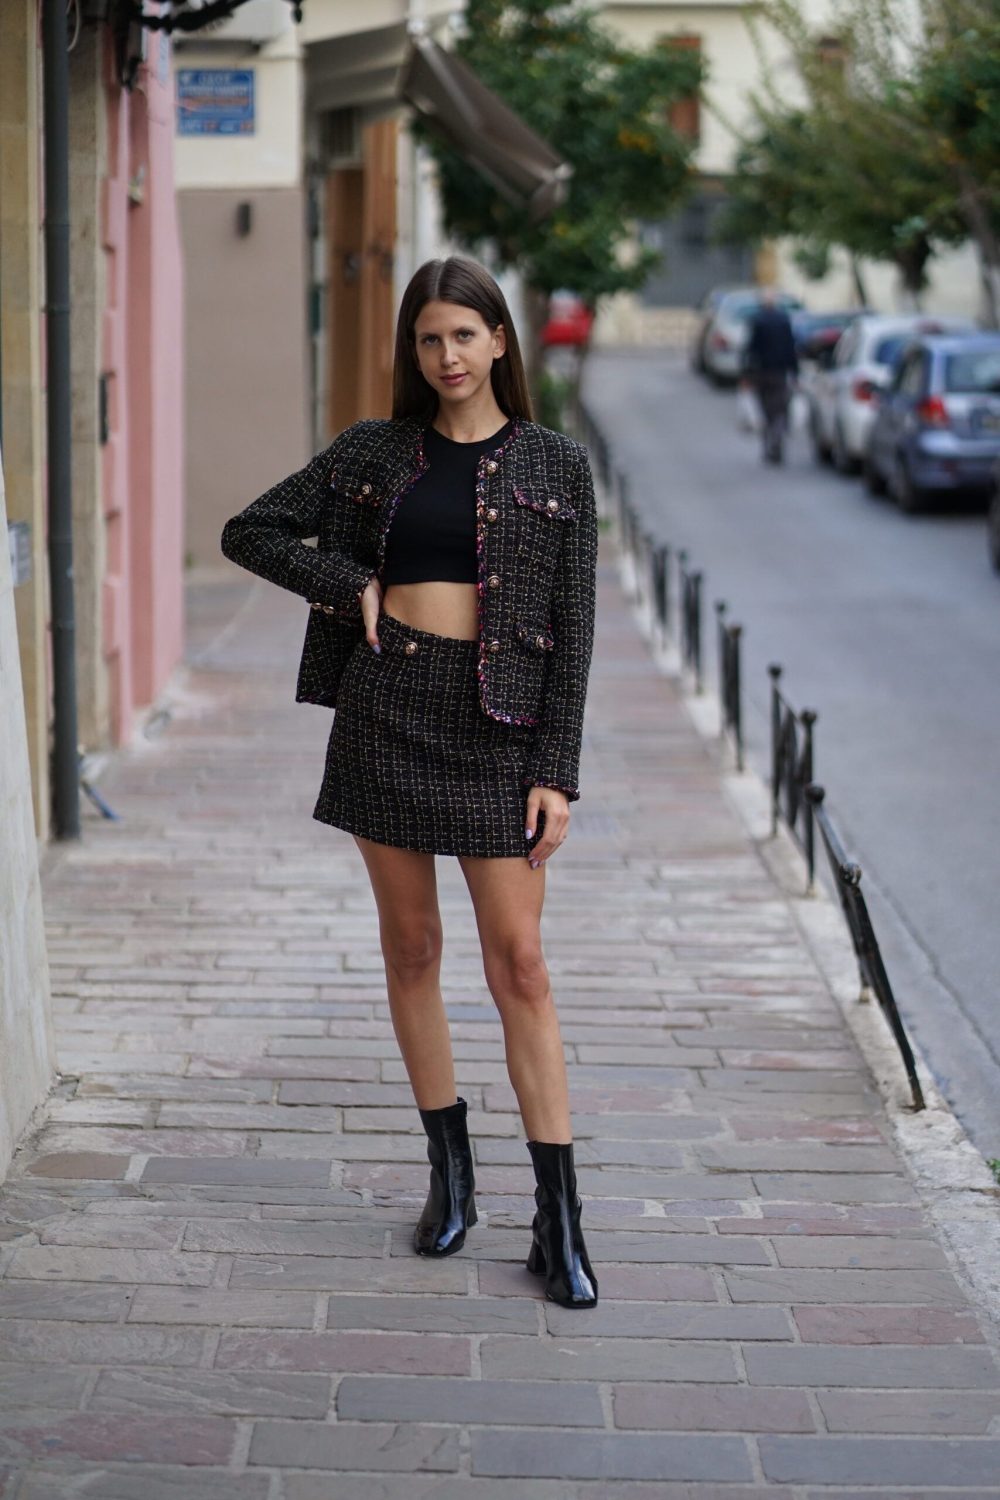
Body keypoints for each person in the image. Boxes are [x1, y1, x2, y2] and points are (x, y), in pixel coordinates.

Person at [220, 256, 599, 1309]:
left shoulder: (557, 465)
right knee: (413, 947)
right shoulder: (371, 454)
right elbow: (248, 530)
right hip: (389, 712)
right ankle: (449, 1177)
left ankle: (557, 1218)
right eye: (429, 339)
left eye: (465, 337)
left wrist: (556, 773)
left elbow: (573, 637)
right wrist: (351, 588)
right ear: (413, 349)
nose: (448, 357)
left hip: (503, 729)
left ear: (500, 342)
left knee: (520, 962)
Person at [741, 286, 799, 464]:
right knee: (779, 408)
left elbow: (750, 349)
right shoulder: (783, 320)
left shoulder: (757, 320)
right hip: (779, 372)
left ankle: (770, 441)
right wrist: (795, 372)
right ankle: (776, 438)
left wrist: (746, 373)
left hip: (762, 372)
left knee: (766, 408)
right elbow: (791, 348)